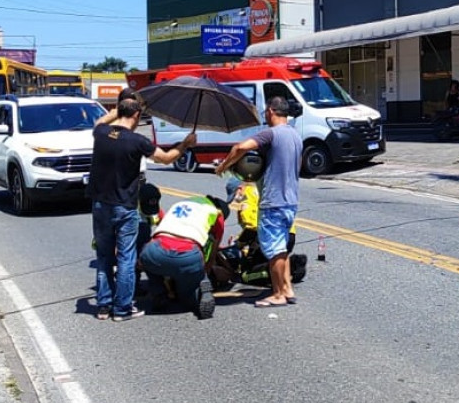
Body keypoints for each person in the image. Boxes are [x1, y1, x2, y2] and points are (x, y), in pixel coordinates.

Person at [89, 97, 194, 321]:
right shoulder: (137, 141)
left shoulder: (101, 132)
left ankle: (104, 306)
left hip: (100, 204)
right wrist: (185, 144)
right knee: (127, 257)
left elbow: (100, 120)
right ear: (136, 116)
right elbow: (166, 159)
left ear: (120, 112)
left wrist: (119, 110)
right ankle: (122, 308)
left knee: (104, 257)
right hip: (124, 206)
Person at [213, 96, 302, 308]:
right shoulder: (295, 135)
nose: (265, 116)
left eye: (266, 113)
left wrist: (224, 166)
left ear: (271, 111)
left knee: (272, 250)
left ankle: (278, 293)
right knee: (281, 248)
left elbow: (240, 147)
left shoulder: (271, 133)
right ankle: (287, 289)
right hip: (291, 200)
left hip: (273, 201)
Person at [139, 195, 228, 320]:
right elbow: (213, 249)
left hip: (155, 252)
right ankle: (202, 289)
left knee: (148, 259)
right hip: (188, 256)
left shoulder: (180, 204)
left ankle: (158, 292)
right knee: (186, 298)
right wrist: (205, 271)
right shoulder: (217, 214)